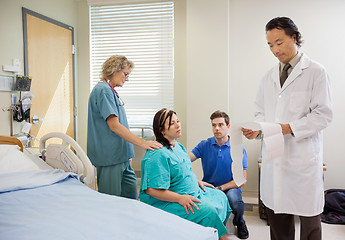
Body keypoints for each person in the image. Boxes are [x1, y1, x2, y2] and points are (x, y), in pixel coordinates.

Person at [242, 17, 333, 240]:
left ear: (294, 38)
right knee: (277, 218)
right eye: (270, 45)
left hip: (303, 159)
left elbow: (323, 115)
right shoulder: (268, 77)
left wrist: (288, 128)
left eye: (279, 42)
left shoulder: (316, 71)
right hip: (275, 159)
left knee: (310, 221)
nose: (275, 49)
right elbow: (260, 112)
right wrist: (259, 130)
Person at [139, 108, 232, 240]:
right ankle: (219, 236)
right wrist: (180, 198)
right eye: (172, 123)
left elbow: (184, 170)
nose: (178, 125)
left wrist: (196, 181)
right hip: (168, 201)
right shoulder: (156, 154)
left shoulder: (178, 146)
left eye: (178, 121)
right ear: (162, 130)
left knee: (220, 196)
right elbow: (151, 190)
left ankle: (214, 232)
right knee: (208, 212)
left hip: (192, 191)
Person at [87, 55, 162, 199]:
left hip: (121, 157)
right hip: (110, 157)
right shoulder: (103, 90)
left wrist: (127, 153)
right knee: (112, 202)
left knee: (131, 197)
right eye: (125, 74)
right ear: (114, 70)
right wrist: (143, 143)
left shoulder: (110, 91)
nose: (127, 79)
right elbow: (114, 126)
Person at [189, 110, 249, 239]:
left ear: (228, 126)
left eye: (220, 125)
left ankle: (240, 222)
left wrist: (222, 188)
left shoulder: (237, 148)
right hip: (209, 187)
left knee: (234, 199)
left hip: (230, 187)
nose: (216, 128)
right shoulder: (204, 145)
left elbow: (242, 180)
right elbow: (185, 160)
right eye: (214, 125)